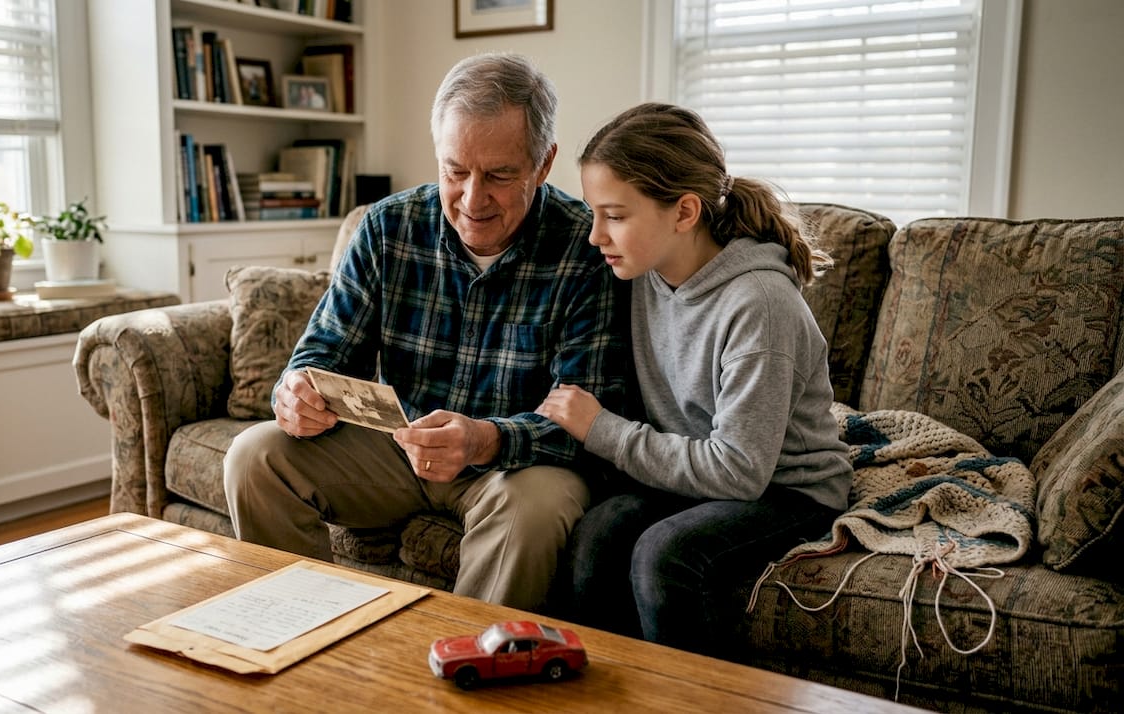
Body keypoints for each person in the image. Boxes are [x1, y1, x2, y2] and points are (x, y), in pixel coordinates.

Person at [224, 53, 630, 611]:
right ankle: (299, 633)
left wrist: (485, 438)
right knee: (254, 457)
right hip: (400, 448)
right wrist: (295, 392)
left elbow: (593, 418)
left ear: (544, 162)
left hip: (517, 467)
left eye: (500, 175)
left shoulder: (588, 248)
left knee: (534, 510)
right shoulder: (389, 227)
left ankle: (461, 676)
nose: (471, 199)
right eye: (455, 170)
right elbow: (322, 353)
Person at [536, 102, 852, 656]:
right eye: (594, 213)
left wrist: (602, 430)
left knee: (665, 553)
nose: (594, 237)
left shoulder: (759, 304)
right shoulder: (642, 273)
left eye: (614, 215)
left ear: (684, 212)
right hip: (692, 474)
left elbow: (738, 472)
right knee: (597, 533)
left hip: (786, 488)